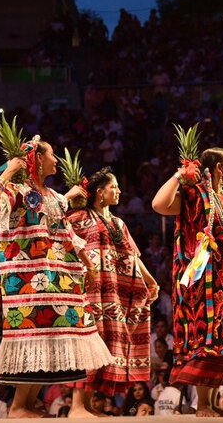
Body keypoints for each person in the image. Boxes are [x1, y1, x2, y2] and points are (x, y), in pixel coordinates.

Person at [0, 135, 112, 418]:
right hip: (28, 280)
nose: (56, 160)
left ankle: (26, 404)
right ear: (38, 159)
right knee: (33, 333)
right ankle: (17, 406)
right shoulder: (16, 189)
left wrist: (88, 265)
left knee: (48, 337)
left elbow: (65, 232)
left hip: (56, 279)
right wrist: (10, 170)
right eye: (52, 154)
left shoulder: (52, 196)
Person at [152, 147, 223, 417]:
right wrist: (180, 175)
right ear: (219, 168)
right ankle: (202, 404)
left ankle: (213, 401)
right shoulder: (195, 195)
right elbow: (159, 205)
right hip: (203, 284)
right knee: (206, 341)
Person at [66, 167, 158, 409]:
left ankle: (88, 406)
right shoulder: (80, 217)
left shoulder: (118, 222)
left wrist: (150, 280)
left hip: (117, 293)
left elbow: (133, 255)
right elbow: (60, 234)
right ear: (99, 192)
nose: (118, 191)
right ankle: (77, 407)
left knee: (107, 343)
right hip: (93, 291)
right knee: (90, 341)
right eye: (113, 187)